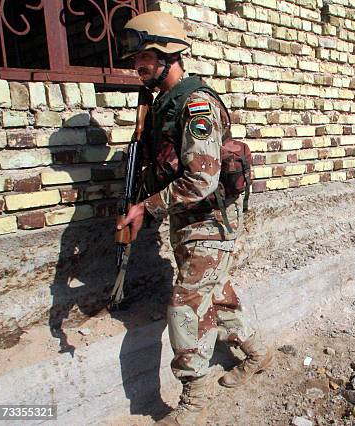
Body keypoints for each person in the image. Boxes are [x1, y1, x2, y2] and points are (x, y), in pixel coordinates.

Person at [115, 11, 272, 425]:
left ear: (167, 54)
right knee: (215, 296)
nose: (136, 67)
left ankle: (193, 400)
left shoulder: (195, 104)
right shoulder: (161, 103)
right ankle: (258, 353)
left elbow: (201, 181)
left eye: (142, 59)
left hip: (210, 222)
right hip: (188, 222)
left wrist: (145, 207)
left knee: (185, 304)